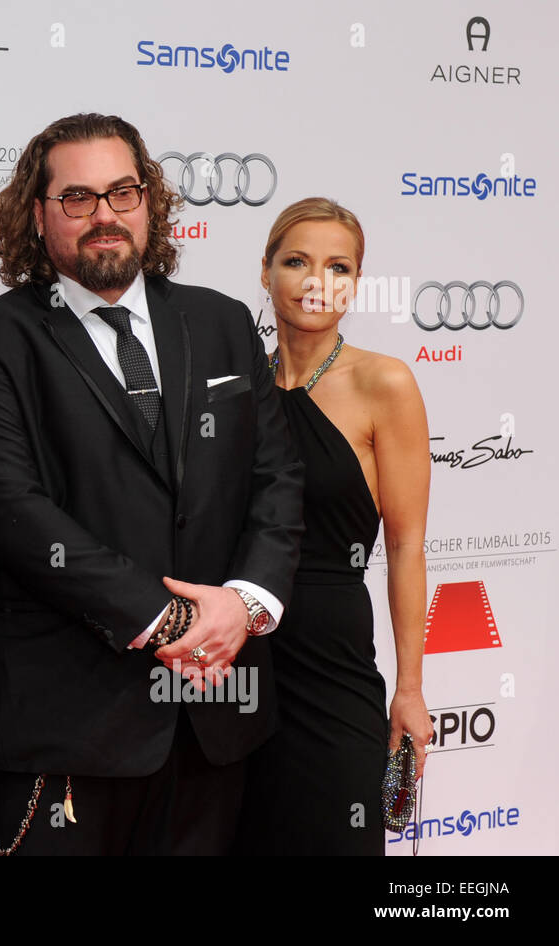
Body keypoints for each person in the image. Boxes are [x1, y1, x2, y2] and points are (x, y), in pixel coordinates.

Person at [0, 113, 305, 855]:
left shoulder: (223, 322)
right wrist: (176, 624)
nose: (105, 215)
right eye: (77, 198)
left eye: (122, 192)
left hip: (213, 714)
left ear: (150, 203)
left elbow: (276, 478)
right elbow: (11, 508)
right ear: (37, 215)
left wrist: (243, 606)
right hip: (65, 726)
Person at [235, 198, 434, 855]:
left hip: (332, 665)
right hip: (236, 662)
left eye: (338, 266)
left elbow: (405, 547)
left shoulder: (385, 384)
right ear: (265, 272)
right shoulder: (233, 386)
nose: (318, 280)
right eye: (297, 261)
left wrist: (410, 689)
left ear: (355, 282)